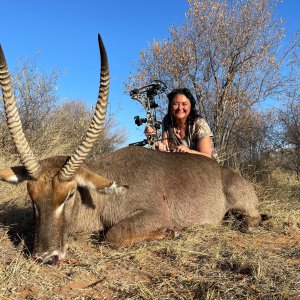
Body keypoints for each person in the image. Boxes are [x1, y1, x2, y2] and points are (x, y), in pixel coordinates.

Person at [145, 88, 213, 158]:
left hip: (205, 166)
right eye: (176, 104)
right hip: (179, 165)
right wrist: (154, 141)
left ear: (191, 106)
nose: (180, 108)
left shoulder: (199, 123)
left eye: (184, 104)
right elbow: (164, 149)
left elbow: (207, 156)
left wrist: (189, 151)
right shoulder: (167, 120)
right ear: (170, 106)